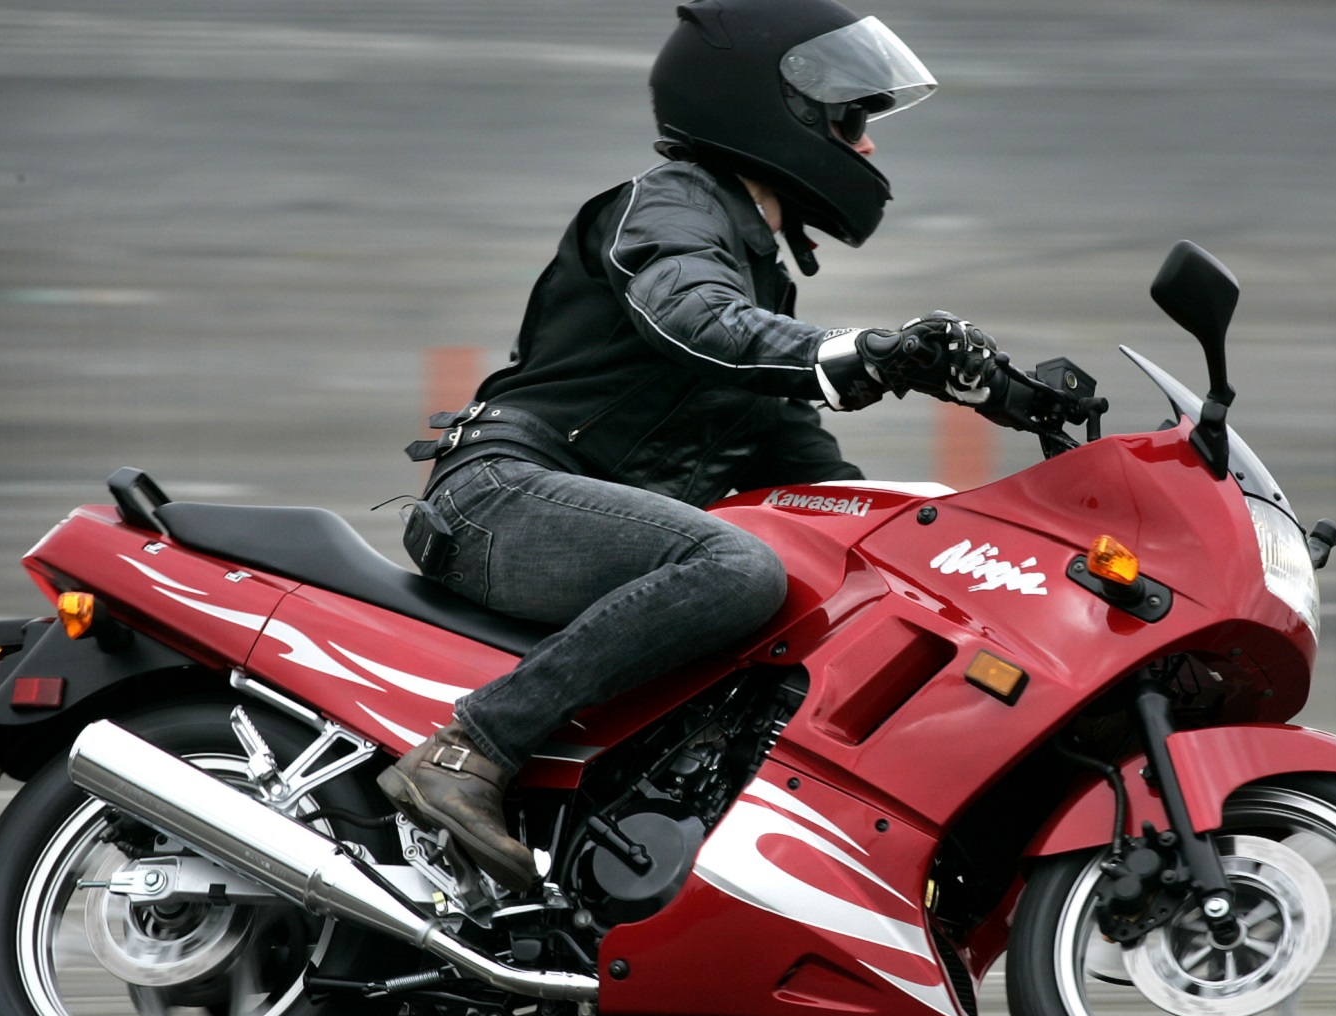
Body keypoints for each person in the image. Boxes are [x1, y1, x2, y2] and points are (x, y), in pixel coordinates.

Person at [378, 0, 1012, 892]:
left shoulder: (758, 280)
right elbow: (693, 316)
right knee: (738, 570)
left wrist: (937, 546)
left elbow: (808, 464)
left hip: (575, 514)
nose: (867, 145)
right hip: (503, 496)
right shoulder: (670, 208)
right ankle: (468, 751)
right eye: (849, 121)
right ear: (767, 110)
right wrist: (864, 352)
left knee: (841, 586)